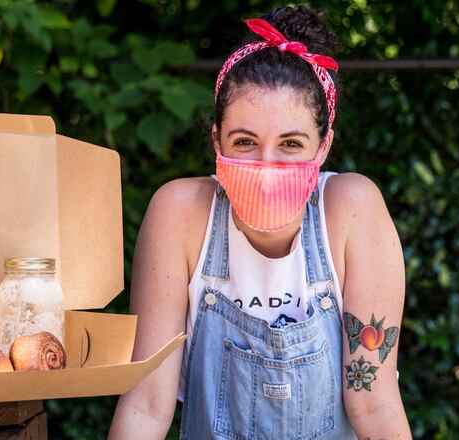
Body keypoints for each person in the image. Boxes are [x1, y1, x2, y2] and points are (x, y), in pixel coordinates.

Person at [109, 5, 411, 439]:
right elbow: (146, 405)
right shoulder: (180, 215)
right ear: (217, 139)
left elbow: (374, 403)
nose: (267, 165)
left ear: (323, 146)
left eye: (290, 143)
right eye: (245, 142)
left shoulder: (351, 211)